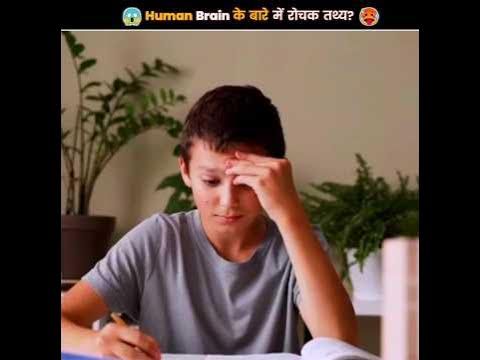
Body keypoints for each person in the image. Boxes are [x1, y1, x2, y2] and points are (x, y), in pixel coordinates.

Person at [61, 85, 358, 360]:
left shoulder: (296, 242)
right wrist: (96, 342)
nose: (228, 201)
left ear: (273, 177)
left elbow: (339, 344)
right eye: (210, 180)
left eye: (245, 182)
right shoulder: (156, 240)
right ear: (186, 172)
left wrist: (289, 212)